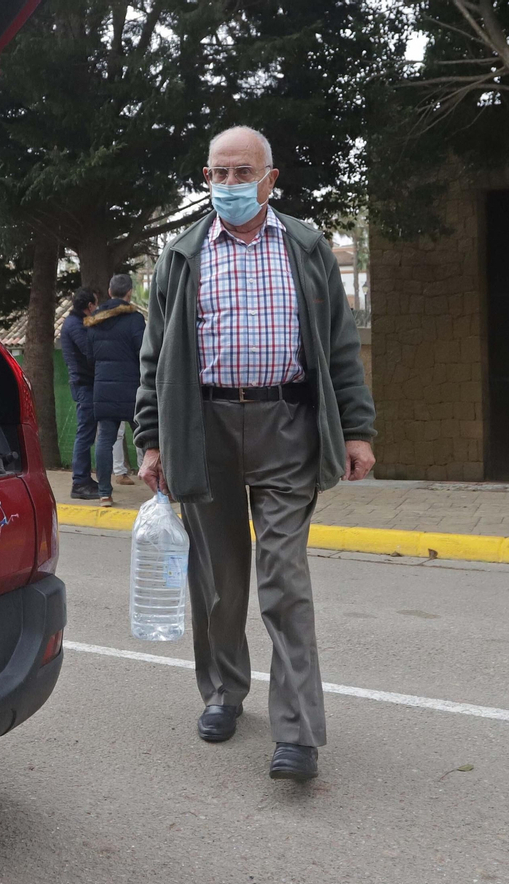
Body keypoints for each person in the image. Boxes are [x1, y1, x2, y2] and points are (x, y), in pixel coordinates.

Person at [135, 126, 376, 782]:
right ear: (206, 178)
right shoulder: (182, 257)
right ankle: (224, 691)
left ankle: (296, 730)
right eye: (219, 174)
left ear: (271, 180)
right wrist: (151, 440)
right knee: (219, 583)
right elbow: (154, 359)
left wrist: (357, 430)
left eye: (244, 174)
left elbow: (340, 349)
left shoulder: (307, 248)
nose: (231, 185)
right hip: (203, 429)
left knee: (284, 582)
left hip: (287, 424)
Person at [86, 273, 146, 508]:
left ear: (109, 292)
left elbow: (90, 357)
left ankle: (104, 493)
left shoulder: (94, 320)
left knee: (104, 441)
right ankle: (164, 489)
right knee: (149, 436)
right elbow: (143, 352)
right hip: (132, 389)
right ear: (129, 292)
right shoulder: (135, 320)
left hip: (103, 388)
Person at [61, 287, 102, 500]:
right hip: (85, 385)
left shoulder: (76, 323)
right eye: (96, 304)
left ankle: (84, 479)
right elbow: (90, 352)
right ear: (89, 307)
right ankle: (80, 482)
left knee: (87, 432)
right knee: (85, 433)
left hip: (85, 384)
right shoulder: (76, 326)